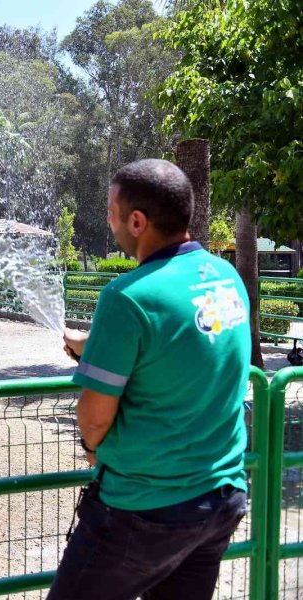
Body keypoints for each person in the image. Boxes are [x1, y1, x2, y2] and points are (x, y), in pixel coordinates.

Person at [47, 159, 250, 600]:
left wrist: (91, 448)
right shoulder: (226, 277)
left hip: (145, 510)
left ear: (137, 222)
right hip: (220, 498)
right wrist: (93, 344)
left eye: (112, 211)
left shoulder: (126, 296)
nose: (109, 220)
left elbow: (94, 418)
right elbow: (181, 339)